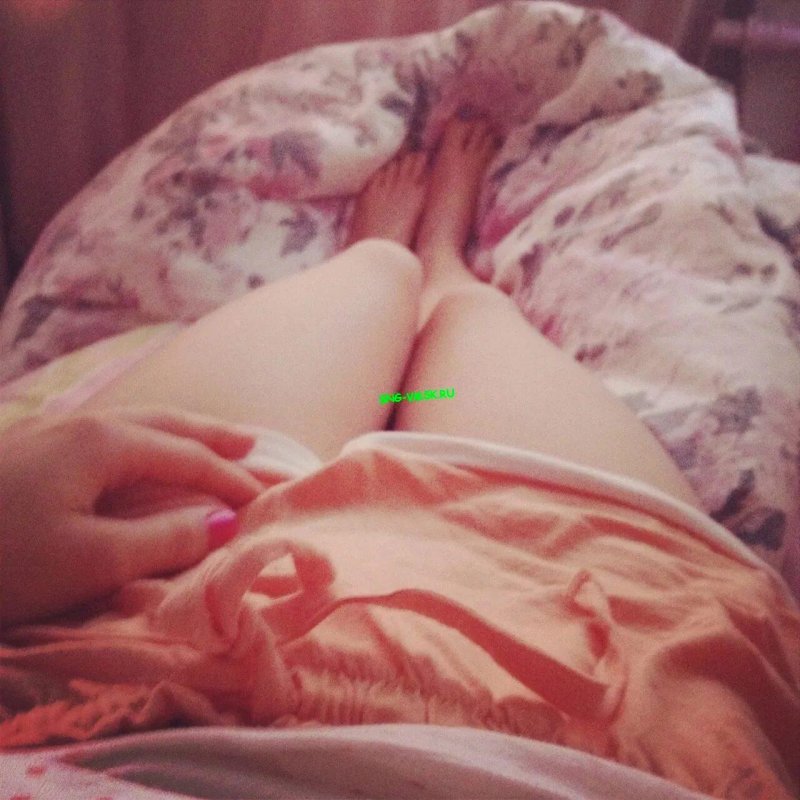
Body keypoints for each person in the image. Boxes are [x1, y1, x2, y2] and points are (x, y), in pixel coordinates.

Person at [0, 118, 700, 628]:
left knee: (380, 278)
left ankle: (404, 258)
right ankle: (439, 268)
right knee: (468, 317)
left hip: (138, 622)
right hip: (590, 637)